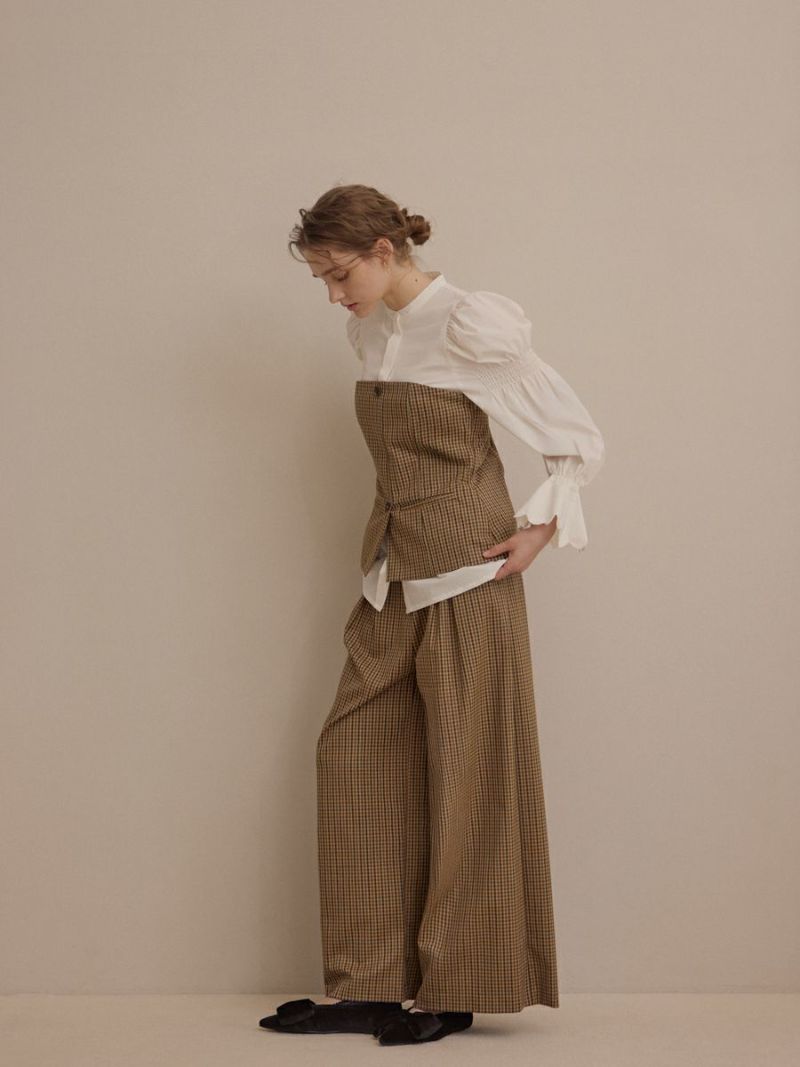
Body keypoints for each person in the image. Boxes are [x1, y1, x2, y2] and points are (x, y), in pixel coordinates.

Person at [259, 183, 605, 1046]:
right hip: (392, 571)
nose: (333, 295)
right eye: (321, 280)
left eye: (340, 274)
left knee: (469, 772)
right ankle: (369, 981)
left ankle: (456, 985)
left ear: (384, 250)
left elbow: (575, 437)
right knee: (355, 756)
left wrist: (538, 528)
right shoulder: (369, 330)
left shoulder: (470, 325)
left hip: (468, 572)